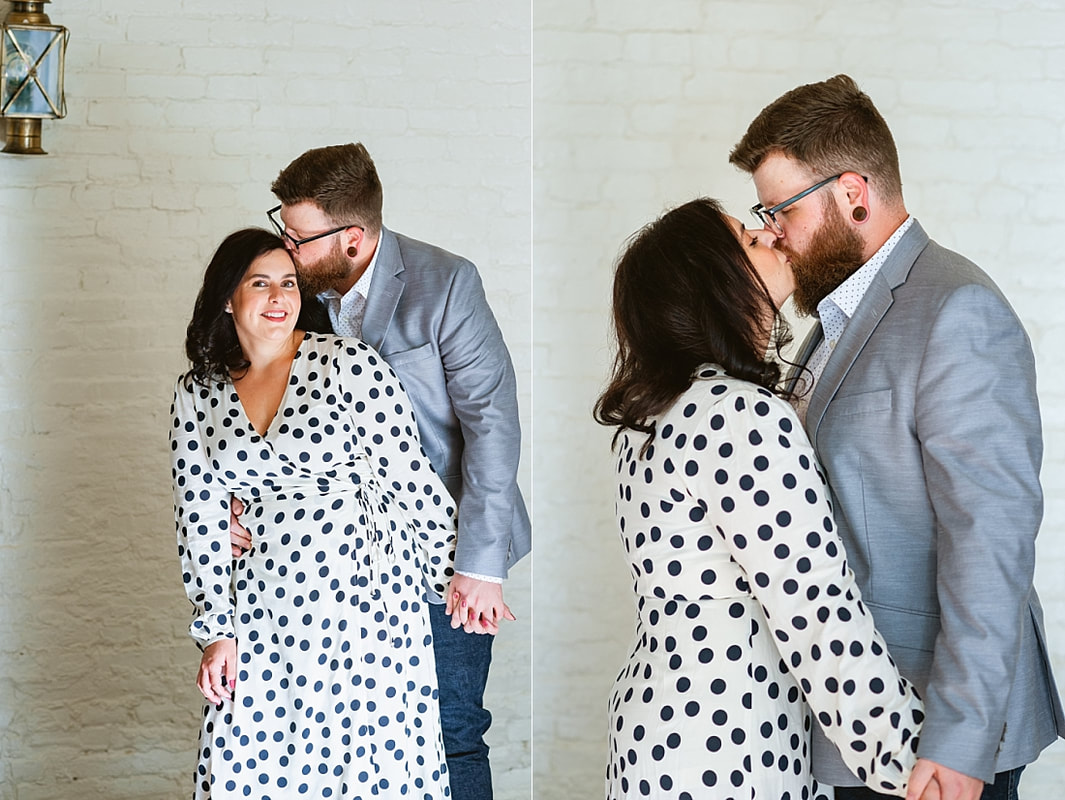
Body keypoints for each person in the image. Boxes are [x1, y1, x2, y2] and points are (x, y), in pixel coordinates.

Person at [729, 74, 1065, 800]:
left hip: (927, 727)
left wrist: (959, 742)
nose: (770, 230)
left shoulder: (955, 308)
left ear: (852, 192)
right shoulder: (833, 317)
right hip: (856, 718)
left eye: (778, 208)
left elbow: (989, 539)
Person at [594, 197, 926, 800]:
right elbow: (816, 609)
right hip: (727, 747)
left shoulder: (653, 418)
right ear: (716, 287)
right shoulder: (740, 416)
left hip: (666, 731)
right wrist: (913, 763)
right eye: (748, 240)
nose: (770, 236)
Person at [228, 142, 531, 800]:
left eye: (298, 236)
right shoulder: (291, 292)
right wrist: (227, 509)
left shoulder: (445, 283)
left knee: (450, 727)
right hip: (328, 562)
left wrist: (477, 566)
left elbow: (491, 423)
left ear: (354, 238)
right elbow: (253, 410)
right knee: (344, 739)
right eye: (282, 227)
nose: (285, 247)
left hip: (441, 550)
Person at [170, 228, 458, 797]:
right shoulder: (198, 392)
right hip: (262, 611)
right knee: (247, 764)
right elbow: (197, 518)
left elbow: (410, 480)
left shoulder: (348, 364)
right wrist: (215, 632)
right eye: (261, 284)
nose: (279, 297)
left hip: (366, 607)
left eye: (289, 283)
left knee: (364, 770)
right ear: (228, 297)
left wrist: (460, 579)